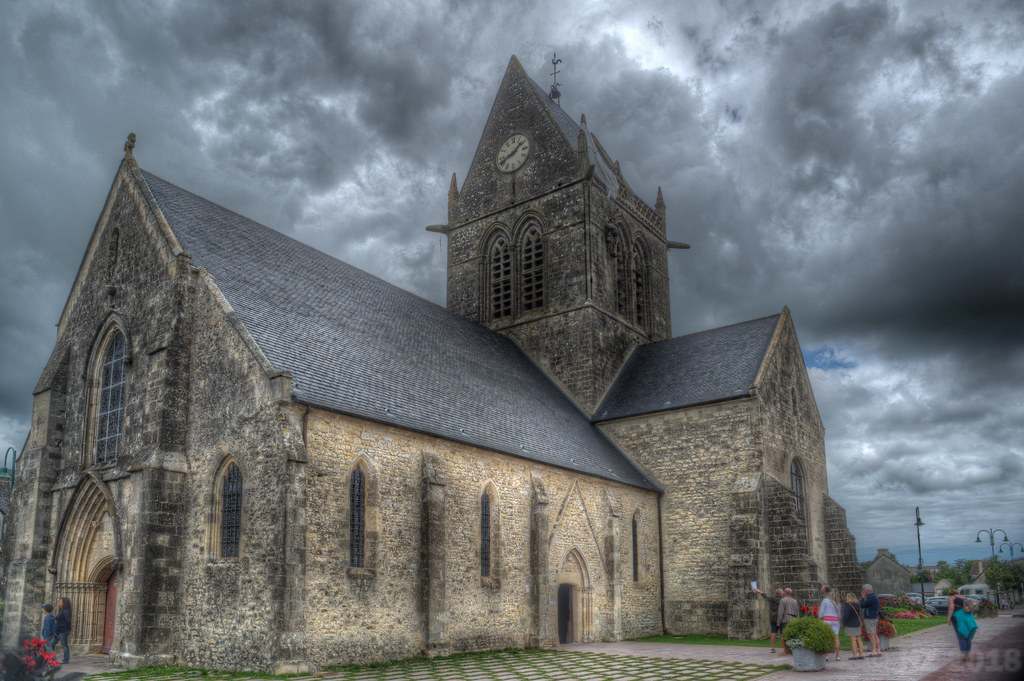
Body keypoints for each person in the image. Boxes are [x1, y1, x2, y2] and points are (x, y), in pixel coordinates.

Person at [947, 588, 978, 661]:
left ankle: (963, 654)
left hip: (958, 617)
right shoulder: (963, 597)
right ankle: (967, 655)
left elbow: (951, 608)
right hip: (968, 616)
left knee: (960, 635)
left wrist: (949, 618)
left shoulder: (951, 598)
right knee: (967, 636)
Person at [754, 586, 784, 653]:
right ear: (780, 594)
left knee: (773, 633)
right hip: (781, 619)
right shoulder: (782, 600)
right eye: (782, 592)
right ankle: (785, 648)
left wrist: (758, 590)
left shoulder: (772, 598)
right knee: (784, 634)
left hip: (772, 618)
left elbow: (765, 595)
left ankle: (772, 648)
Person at [818, 585, 841, 661]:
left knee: (826, 637)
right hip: (835, 620)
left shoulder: (825, 600)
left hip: (827, 619)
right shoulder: (838, 603)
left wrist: (819, 618)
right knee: (836, 638)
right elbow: (839, 614)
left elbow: (821, 612)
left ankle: (826, 655)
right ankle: (837, 656)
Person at [842, 592, 866, 660]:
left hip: (850, 624)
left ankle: (854, 654)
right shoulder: (856, 604)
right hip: (857, 623)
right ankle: (861, 654)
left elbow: (846, 616)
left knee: (853, 639)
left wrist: (844, 622)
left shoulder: (848, 605)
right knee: (858, 638)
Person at [860, 584, 881, 657]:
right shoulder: (875, 596)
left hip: (870, 618)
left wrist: (862, 598)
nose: (863, 591)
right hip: (874, 617)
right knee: (874, 634)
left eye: (863, 590)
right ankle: (878, 650)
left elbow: (862, 605)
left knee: (871, 635)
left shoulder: (870, 597)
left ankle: (874, 651)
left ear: (866, 591)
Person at [777, 587, 799, 655]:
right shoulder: (794, 601)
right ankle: (792, 650)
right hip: (794, 620)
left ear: (785, 592)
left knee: (784, 636)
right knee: (792, 636)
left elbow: (781, 612)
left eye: (783, 591)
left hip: (785, 620)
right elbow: (797, 612)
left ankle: (786, 651)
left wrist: (778, 621)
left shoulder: (783, 600)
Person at [54, 597, 72, 664]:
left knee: (64, 644)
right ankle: (50, 658)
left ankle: (66, 659)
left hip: (63, 631)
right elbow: (56, 618)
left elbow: (68, 621)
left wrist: (69, 628)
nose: (59, 603)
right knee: (52, 643)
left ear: (64, 603)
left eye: (60, 602)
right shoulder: (62, 611)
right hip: (58, 631)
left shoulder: (65, 612)